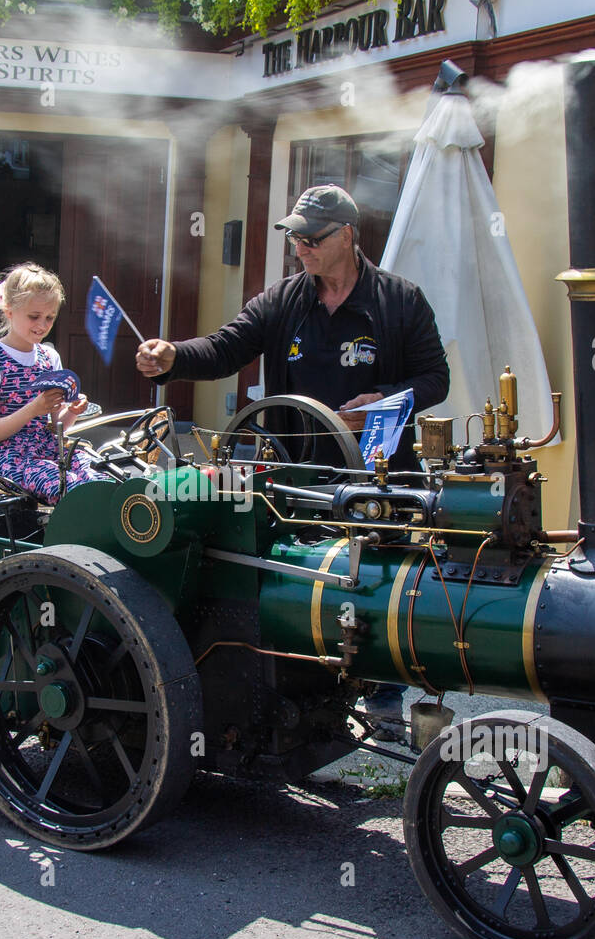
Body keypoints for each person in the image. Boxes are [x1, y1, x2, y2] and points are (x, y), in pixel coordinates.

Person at [136, 183, 450, 736]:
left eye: (310, 238)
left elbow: (435, 379)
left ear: (347, 235)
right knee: (296, 585)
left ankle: (384, 699)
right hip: (296, 472)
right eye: (294, 238)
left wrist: (387, 399)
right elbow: (226, 348)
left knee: (380, 584)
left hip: (376, 473)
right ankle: (307, 705)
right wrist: (173, 357)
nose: (299, 248)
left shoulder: (400, 300)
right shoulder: (284, 300)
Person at [0, 263, 113, 503]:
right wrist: (34, 408)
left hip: (48, 452)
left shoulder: (49, 357)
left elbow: (56, 426)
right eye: (34, 316)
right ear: (9, 310)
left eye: (49, 318)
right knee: (70, 489)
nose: (42, 325)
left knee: (102, 477)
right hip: (7, 460)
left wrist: (72, 411)